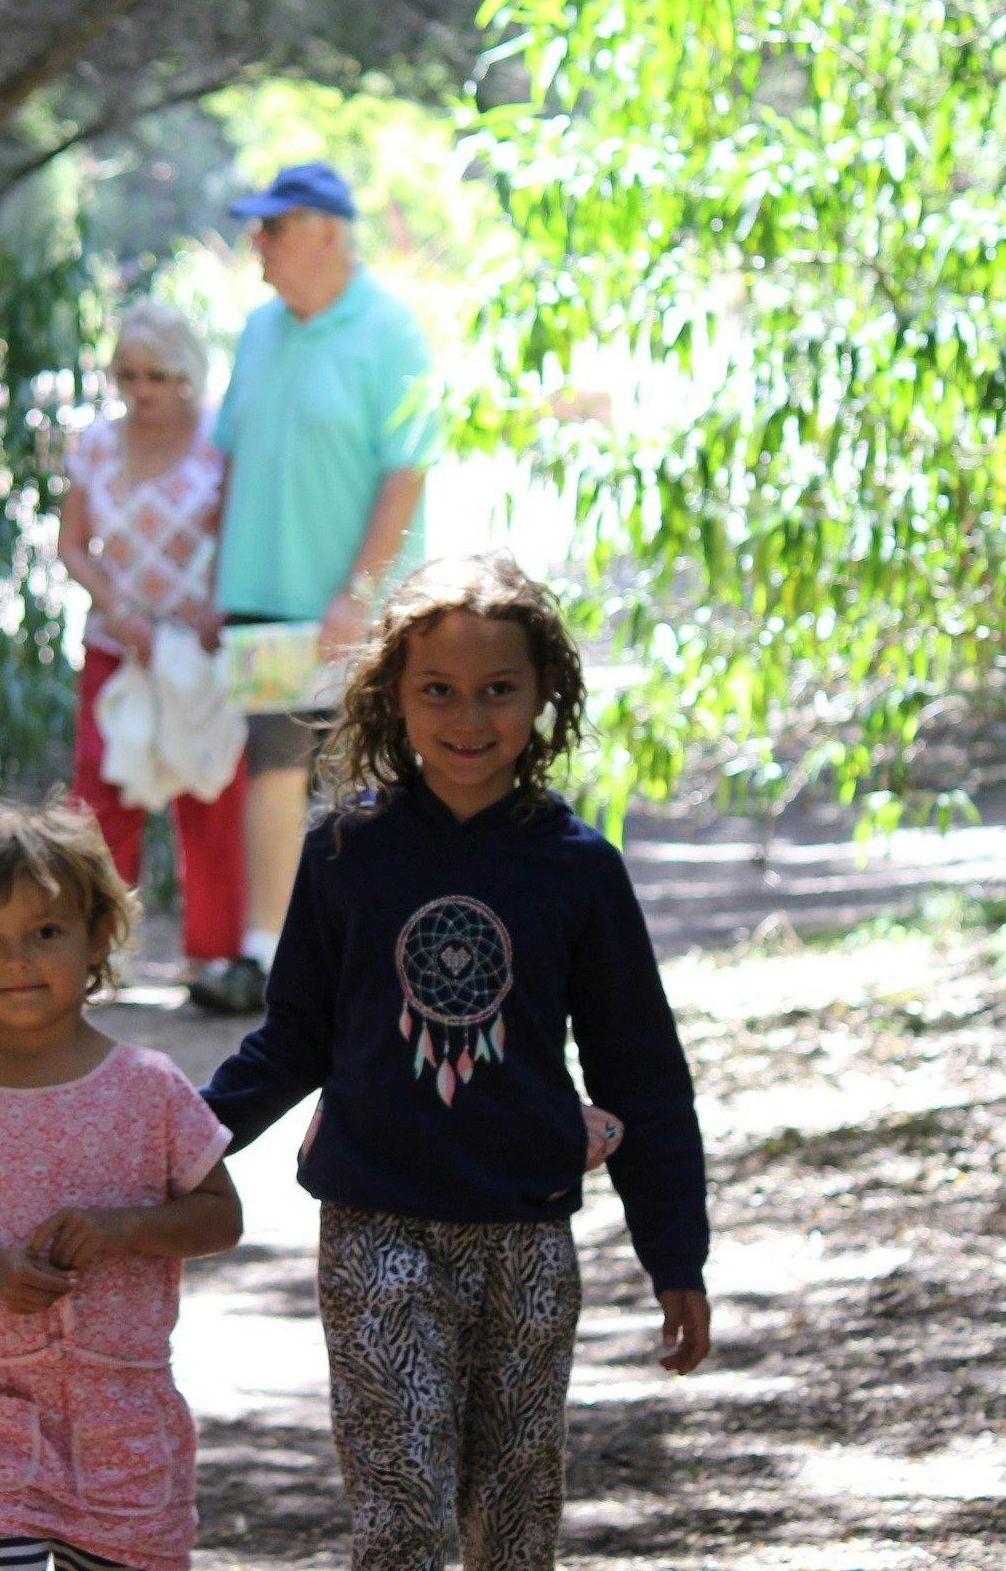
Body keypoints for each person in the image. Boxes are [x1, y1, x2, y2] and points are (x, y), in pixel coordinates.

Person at [201, 553, 711, 1571]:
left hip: (525, 1239)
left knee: (514, 1527)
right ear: (393, 695)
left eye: (497, 691)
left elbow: (639, 1069)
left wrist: (677, 1257)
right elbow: (292, 1038)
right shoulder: (347, 852)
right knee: (401, 1517)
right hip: (374, 1226)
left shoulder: (577, 868)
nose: (468, 717)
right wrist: (173, 1136)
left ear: (544, 696)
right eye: (438, 690)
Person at [0, 802, 244, 1571]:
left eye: (45, 932)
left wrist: (121, 1228)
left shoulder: (149, 1089)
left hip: (125, 1431)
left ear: (98, 935)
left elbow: (221, 1218)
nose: (17, 960)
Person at [212, 160, 445, 1010]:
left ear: (326, 234)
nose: (259, 246)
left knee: (365, 778)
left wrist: (360, 589)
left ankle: (374, 955)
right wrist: (214, 578)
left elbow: (405, 470)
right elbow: (229, 457)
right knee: (271, 768)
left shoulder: (390, 331)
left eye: (273, 229)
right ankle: (265, 955)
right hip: (263, 602)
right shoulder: (259, 330)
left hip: (360, 612)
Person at [56, 300, 249, 1007]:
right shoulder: (96, 445)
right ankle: (99, 954)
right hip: (119, 645)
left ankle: (214, 960)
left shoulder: (220, 444)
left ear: (189, 376)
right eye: (128, 375)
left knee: (212, 792)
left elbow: (243, 534)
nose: (142, 391)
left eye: (158, 376)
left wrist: (218, 605)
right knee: (102, 797)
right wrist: (118, 610)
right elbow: (72, 546)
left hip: (200, 648)